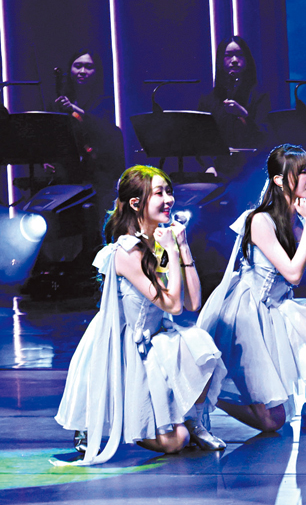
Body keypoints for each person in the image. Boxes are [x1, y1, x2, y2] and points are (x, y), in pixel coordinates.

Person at [55, 166, 227, 465]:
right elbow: (173, 305)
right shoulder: (126, 252)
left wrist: (183, 247)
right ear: (136, 203)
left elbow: (192, 303)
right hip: (124, 348)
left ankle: (195, 422)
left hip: (156, 337)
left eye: (169, 192)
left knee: (201, 345)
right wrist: (172, 251)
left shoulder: (159, 241)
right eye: (159, 193)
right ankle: (110, 421)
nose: (168, 199)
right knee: (175, 442)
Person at [198, 145, 306, 431]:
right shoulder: (259, 220)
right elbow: (294, 275)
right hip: (249, 314)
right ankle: (209, 397)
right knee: (273, 422)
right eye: (302, 172)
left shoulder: (298, 223)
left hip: (279, 308)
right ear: (279, 180)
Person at [51, 48, 125, 204]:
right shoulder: (61, 102)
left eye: (89, 67)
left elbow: (101, 127)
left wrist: (73, 109)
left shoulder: (106, 101)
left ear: (97, 72)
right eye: (77, 66)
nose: (82, 71)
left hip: (99, 173)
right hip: (69, 173)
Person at [197, 36, 271, 176]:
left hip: (252, 168)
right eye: (229, 55)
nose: (235, 60)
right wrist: (209, 166)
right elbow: (201, 139)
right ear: (220, 60)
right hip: (218, 169)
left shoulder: (259, 95)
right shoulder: (209, 98)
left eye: (240, 55)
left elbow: (264, 138)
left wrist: (244, 115)